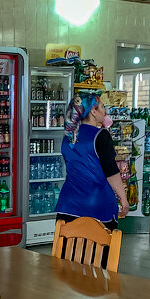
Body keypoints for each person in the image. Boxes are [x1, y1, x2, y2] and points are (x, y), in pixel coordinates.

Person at [54, 93, 130, 234]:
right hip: (97, 206)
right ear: (94, 111)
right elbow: (111, 171)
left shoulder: (69, 136)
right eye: (102, 107)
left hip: (68, 205)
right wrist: (123, 199)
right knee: (97, 253)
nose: (105, 111)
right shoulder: (100, 135)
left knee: (66, 253)